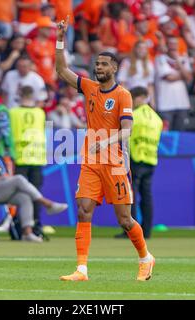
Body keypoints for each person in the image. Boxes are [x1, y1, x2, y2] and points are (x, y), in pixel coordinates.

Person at [55, 17, 155, 282]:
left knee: (124, 219)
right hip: (91, 160)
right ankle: (82, 270)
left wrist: (106, 141)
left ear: (114, 68)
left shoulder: (123, 95)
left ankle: (146, 258)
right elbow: (62, 70)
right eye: (96, 63)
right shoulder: (88, 87)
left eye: (103, 64)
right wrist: (60, 38)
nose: (98, 67)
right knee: (83, 208)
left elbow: (127, 131)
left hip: (115, 162)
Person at [0, 131, 68, 242]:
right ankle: (47, 203)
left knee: (24, 197)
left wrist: (5, 178)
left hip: (3, 189)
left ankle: (27, 233)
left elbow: (5, 173)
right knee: (18, 179)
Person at [114, 86, 162, 239]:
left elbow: (124, 134)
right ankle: (146, 232)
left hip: (134, 159)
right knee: (147, 197)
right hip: (151, 159)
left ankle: (130, 231)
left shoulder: (134, 115)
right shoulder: (157, 118)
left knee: (130, 196)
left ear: (138, 98)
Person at [10, 85, 48, 231]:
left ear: (19, 94)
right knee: (36, 193)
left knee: (21, 193)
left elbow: (10, 134)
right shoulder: (40, 113)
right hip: (37, 157)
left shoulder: (13, 112)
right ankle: (36, 224)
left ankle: (22, 224)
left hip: (20, 157)